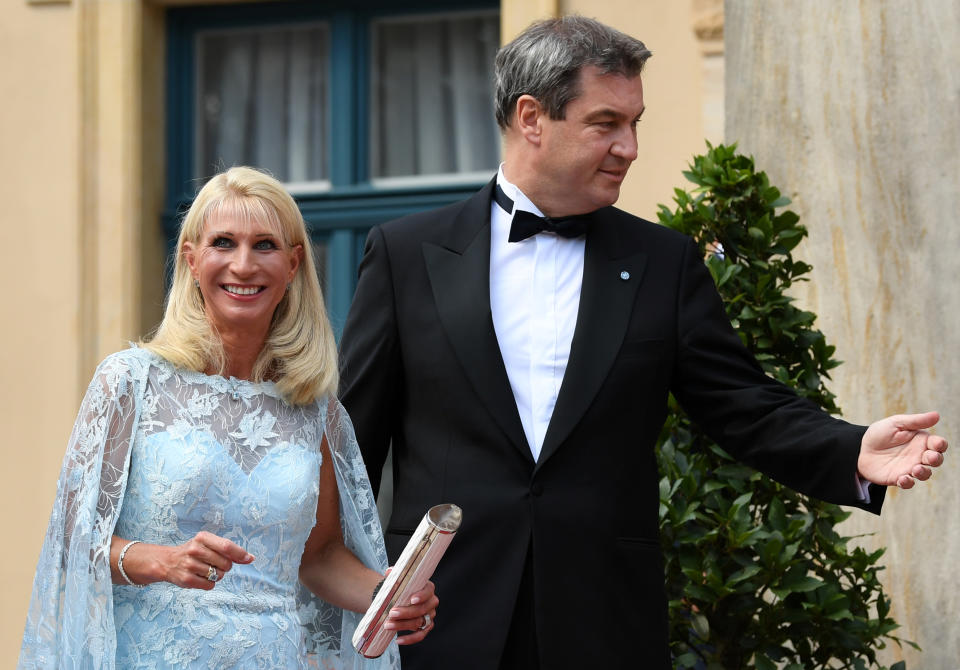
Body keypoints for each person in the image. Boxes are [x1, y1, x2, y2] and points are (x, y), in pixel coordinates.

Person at [338, 16, 949, 670]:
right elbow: (348, 450)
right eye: (606, 124)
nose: (629, 147)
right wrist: (343, 591)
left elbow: (744, 404)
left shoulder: (664, 263)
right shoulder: (405, 256)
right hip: (439, 622)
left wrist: (851, 448)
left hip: (605, 621)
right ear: (532, 118)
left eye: (636, 124)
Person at [20, 166, 438, 669]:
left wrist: (389, 594)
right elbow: (71, 545)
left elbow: (320, 554)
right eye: (224, 242)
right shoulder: (130, 382)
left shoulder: (315, 411)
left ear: (292, 265)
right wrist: (161, 561)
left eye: (264, 245)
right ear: (192, 260)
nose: (243, 265)